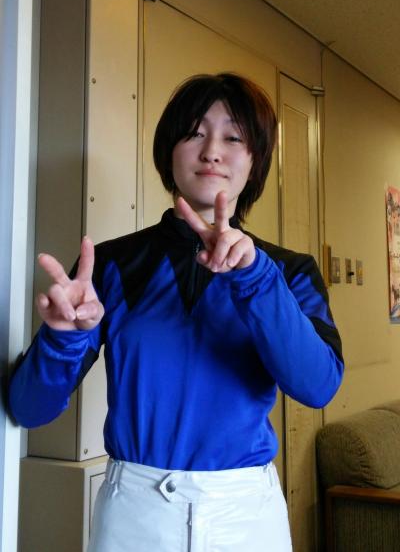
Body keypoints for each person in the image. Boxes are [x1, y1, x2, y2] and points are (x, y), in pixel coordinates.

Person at [9, 72, 344, 552]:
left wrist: (254, 277)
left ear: (256, 159)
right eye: (194, 132)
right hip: (133, 513)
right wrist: (63, 335)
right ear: (169, 149)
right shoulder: (107, 266)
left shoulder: (288, 271)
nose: (212, 151)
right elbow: (28, 408)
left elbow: (317, 386)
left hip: (245, 513)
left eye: (234, 137)